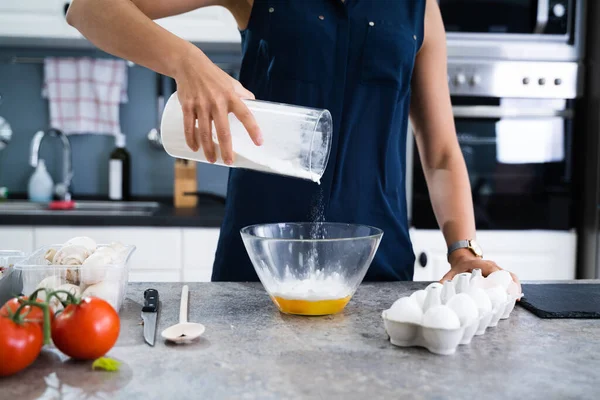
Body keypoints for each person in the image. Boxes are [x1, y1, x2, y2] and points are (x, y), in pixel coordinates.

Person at [67, 0, 519, 286]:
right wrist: (186, 61)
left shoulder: (420, 8)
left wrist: (463, 249)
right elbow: (86, 9)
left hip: (378, 272)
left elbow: (440, 154)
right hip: (259, 269)